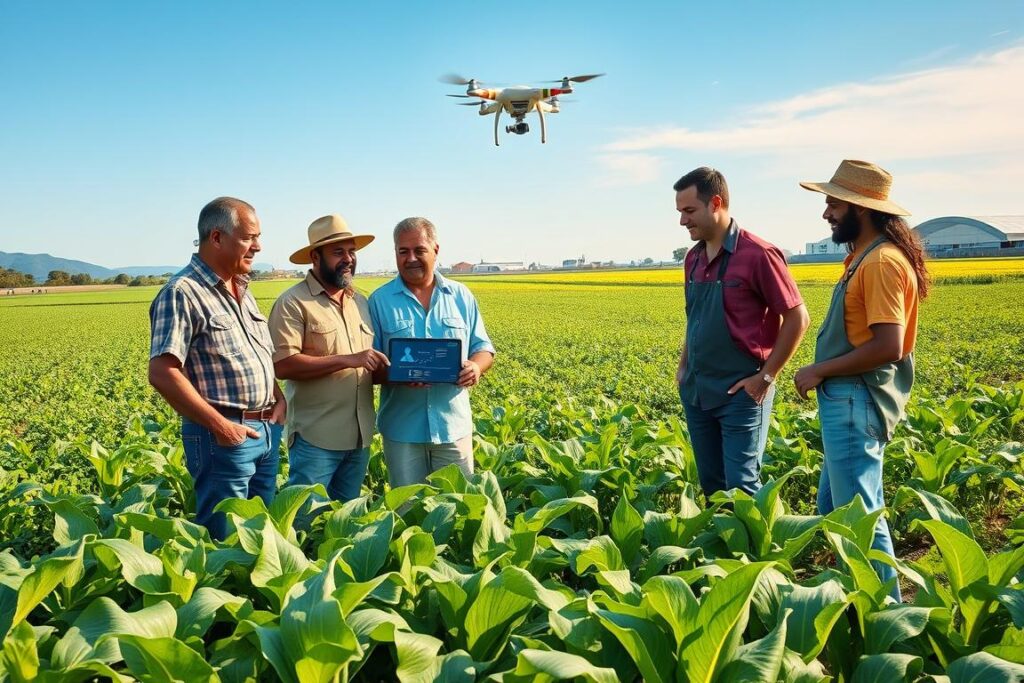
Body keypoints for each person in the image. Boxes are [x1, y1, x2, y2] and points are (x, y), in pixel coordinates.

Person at [795, 160, 929, 602]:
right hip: (848, 399)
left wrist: (818, 370)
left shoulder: (882, 263)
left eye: (833, 202)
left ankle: (884, 615)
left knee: (859, 518)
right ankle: (859, 598)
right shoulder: (865, 257)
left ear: (862, 208)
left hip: (856, 399)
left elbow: (888, 346)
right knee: (835, 509)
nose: (826, 212)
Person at [148, 197, 285, 540]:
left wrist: (278, 399)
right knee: (223, 541)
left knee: (258, 537)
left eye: (258, 236)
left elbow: (258, 354)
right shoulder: (183, 292)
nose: (258, 245)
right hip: (224, 437)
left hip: (265, 430)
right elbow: (163, 371)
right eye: (249, 237)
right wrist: (222, 427)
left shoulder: (241, 288)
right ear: (217, 237)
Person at [675, 167, 809, 496]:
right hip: (697, 390)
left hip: (741, 392)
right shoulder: (692, 259)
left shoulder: (758, 254)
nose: (682, 221)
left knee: (742, 485)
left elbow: (797, 317)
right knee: (712, 484)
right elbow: (695, 318)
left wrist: (766, 377)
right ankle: (721, 547)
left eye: (689, 211)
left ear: (715, 203)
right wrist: (683, 368)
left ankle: (752, 549)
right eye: (680, 212)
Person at [368, 217, 495, 487]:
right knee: (407, 511)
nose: (411, 258)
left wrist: (475, 367)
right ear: (395, 254)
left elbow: (483, 348)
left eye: (419, 250)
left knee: (456, 508)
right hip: (402, 430)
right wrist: (397, 375)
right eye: (403, 251)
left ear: (435, 250)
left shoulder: (461, 296)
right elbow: (370, 366)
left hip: (453, 427)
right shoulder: (379, 301)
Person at [268, 214, 388, 501]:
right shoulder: (293, 302)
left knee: (343, 523)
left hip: (359, 437)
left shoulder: (359, 301)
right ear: (315, 257)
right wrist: (349, 360)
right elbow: (283, 365)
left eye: (351, 252)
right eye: (338, 252)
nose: (348, 259)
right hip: (316, 438)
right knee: (305, 522)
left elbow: (371, 363)